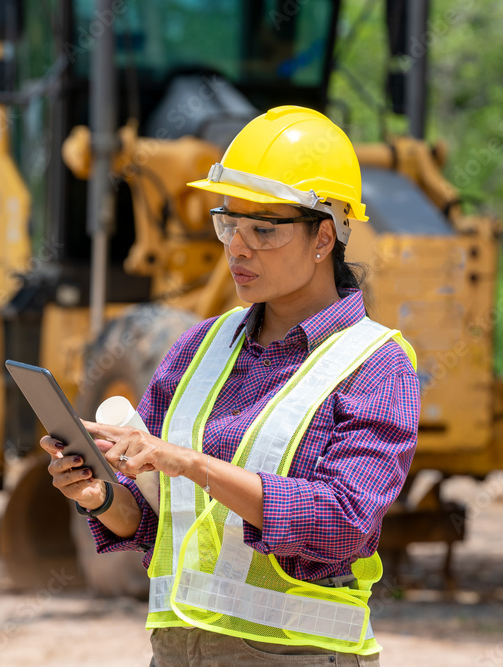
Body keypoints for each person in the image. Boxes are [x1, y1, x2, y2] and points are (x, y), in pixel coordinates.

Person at [41, 106, 420, 666]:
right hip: (177, 650)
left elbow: (343, 524)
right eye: (228, 224)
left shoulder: (375, 365)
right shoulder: (197, 350)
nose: (237, 248)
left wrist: (192, 463)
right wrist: (100, 497)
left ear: (323, 238)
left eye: (262, 230)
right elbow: (153, 525)